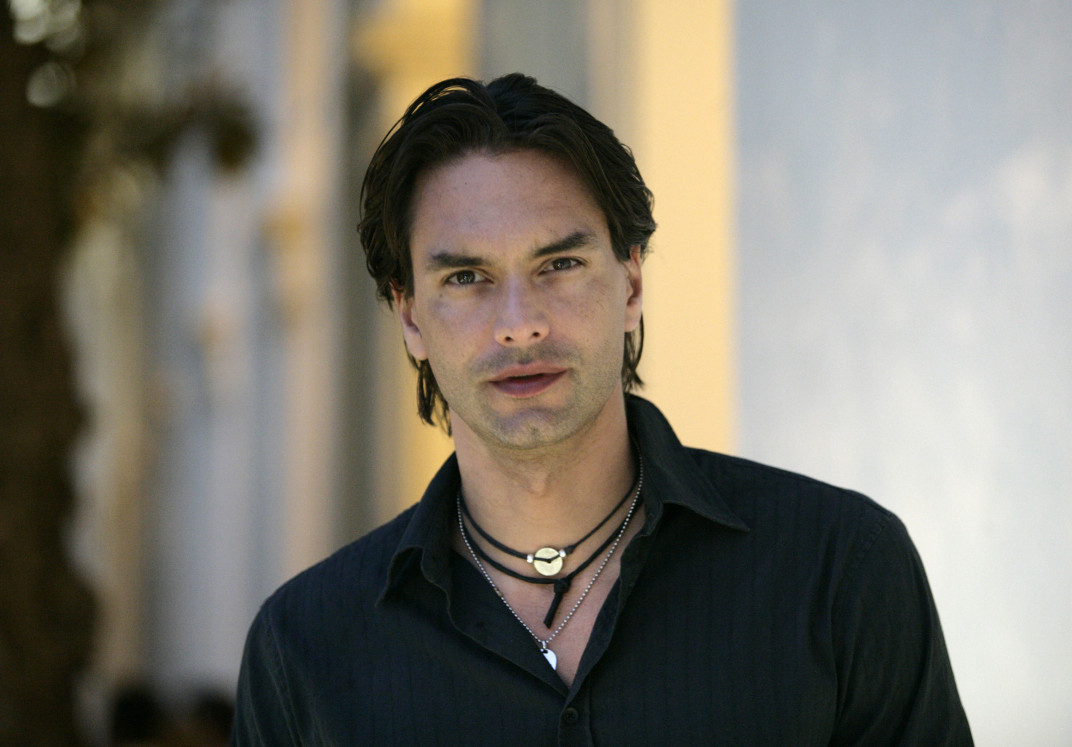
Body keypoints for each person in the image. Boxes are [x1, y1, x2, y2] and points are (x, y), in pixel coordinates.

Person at [232, 73, 972, 745]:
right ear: (410, 316)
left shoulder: (840, 570)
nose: (519, 324)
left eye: (559, 264)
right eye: (466, 277)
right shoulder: (304, 650)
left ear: (631, 285)